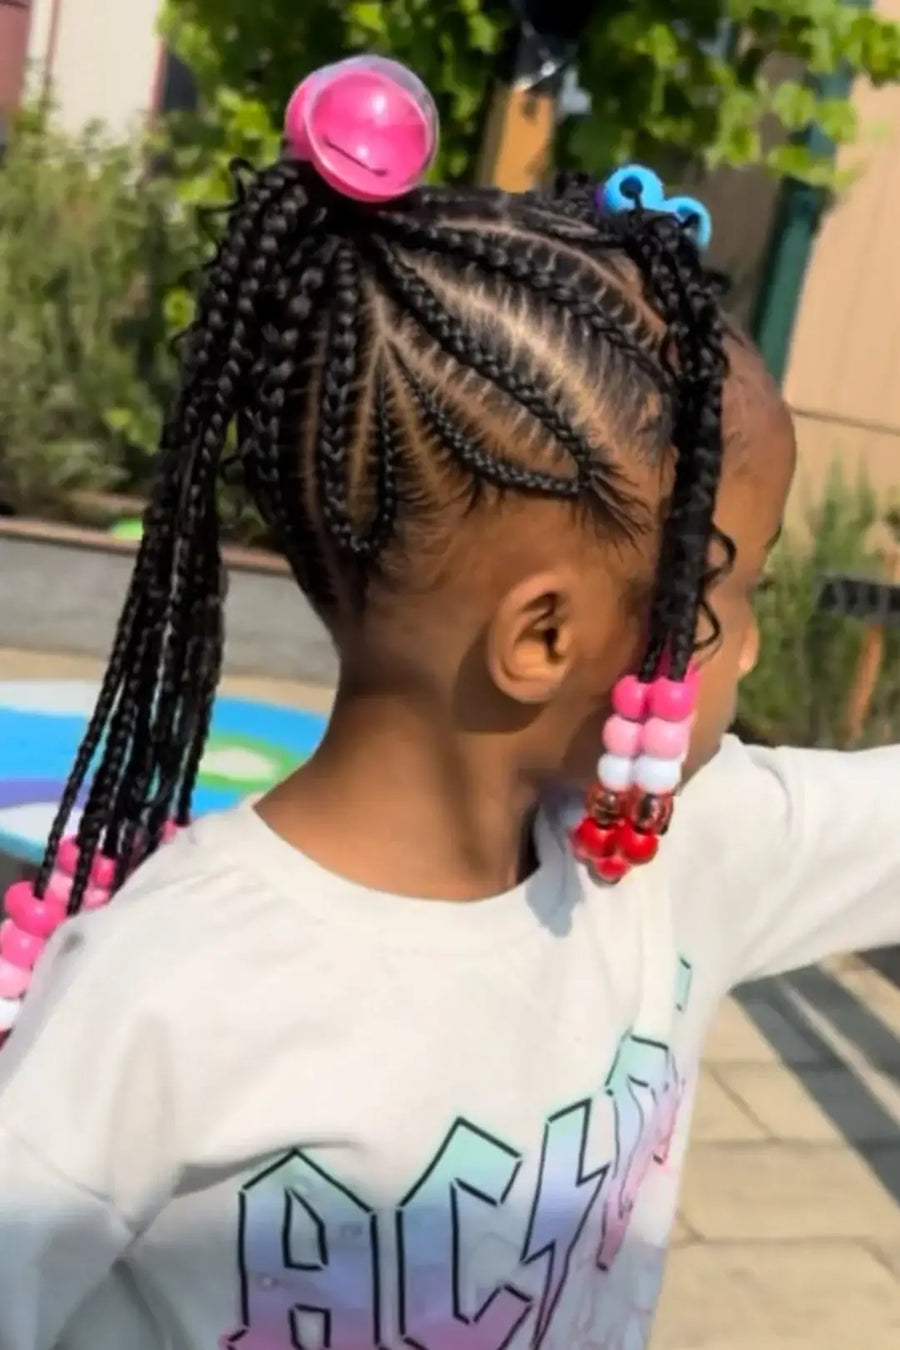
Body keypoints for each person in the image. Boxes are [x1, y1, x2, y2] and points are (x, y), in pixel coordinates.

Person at [0, 54, 898, 1350]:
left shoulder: (679, 857)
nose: (752, 648)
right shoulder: (162, 995)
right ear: (545, 633)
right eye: (730, 591)